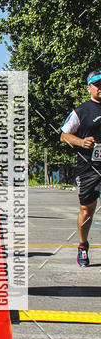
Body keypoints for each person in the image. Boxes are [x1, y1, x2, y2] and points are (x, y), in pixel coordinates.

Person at [60, 68, 101, 267]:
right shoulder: (82, 111)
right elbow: (64, 135)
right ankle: (83, 245)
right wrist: (81, 142)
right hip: (89, 168)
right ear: (89, 88)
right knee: (87, 209)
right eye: (97, 85)